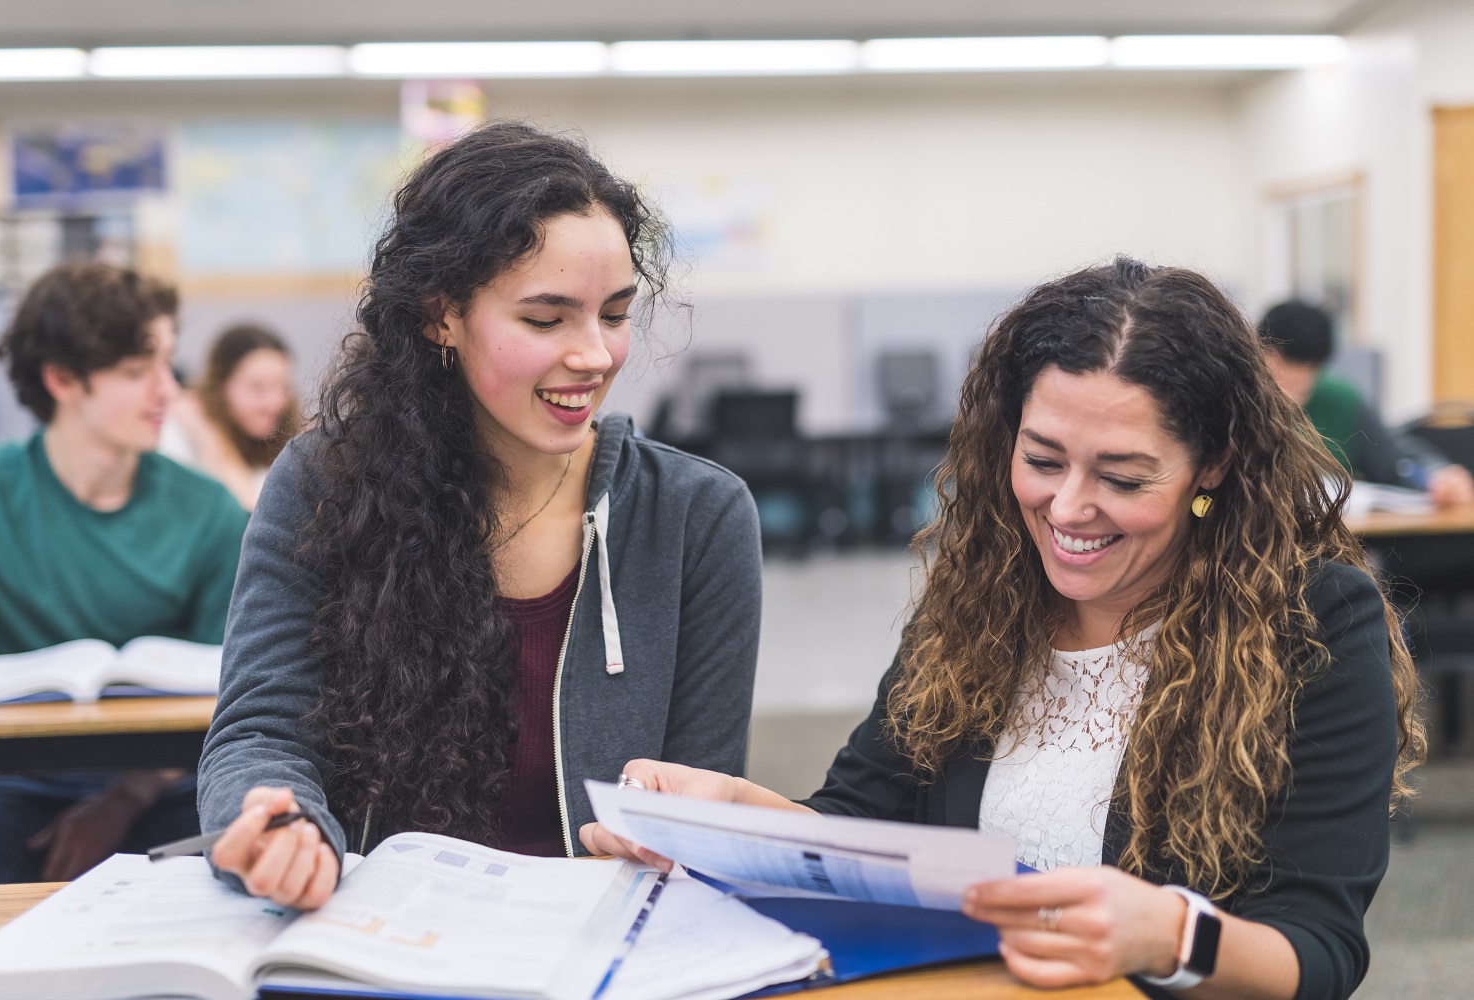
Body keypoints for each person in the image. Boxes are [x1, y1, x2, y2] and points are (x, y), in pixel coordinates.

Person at [585, 259, 1423, 1000]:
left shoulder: (1312, 622)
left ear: (1214, 466)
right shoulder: (986, 600)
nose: (1067, 509)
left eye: (1123, 477)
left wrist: (1172, 935)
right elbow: (862, 826)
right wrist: (733, 815)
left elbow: (1316, 953)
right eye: (1043, 460)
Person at [197, 121, 762, 908]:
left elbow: (706, 802)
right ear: (441, 316)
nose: (595, 355)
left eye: (615, 313)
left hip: (601, 947)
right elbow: (261, 733)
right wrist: (277, 822)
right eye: (546, 318)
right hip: (380, 937)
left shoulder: (698, 517)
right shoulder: (326, 480)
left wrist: (675, 833)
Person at [0, 263, 249, 884]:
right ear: (62, 379)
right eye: (136, 372)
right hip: (25, 780)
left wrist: (120, 802)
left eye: (167, 365)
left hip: (170, 781)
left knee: (207, 877)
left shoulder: (208, 511)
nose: (167, 393)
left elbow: (236, 700)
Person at [1259, 299, 1474, 507]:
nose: (1288, 393)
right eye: (1277, 375)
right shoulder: (1237, 397)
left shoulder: (1341, 400)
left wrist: (1438, 476)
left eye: (1300, 385)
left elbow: (1395, 459)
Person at [162, 323, 302, 511]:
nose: (273, 403)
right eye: (256, 387)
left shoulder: (292, 439)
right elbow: (252, 512)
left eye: (281, 386)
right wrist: (206, 432)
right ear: (220, 387)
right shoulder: (180, 434)